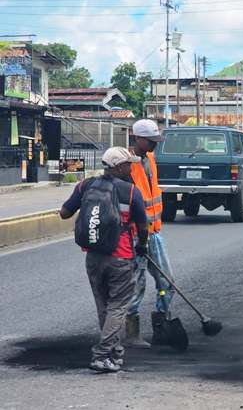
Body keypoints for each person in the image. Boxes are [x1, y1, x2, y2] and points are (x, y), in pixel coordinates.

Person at [60, 147, 148, 373]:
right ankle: (101, 355)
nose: (132, 167)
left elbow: (64, 213)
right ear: (118, 167)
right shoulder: (130, 192)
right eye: (128, 164)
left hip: (93, 256)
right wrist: (142, 245)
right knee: (118, 307)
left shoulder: (85, 185)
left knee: (105, 308)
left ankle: (114, 353)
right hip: (121, 256)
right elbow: (143, 225)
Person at [126, 119, 175, 348]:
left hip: (154, 233)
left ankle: (161, 323)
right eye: (150, 141)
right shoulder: (125, 165)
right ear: (137, 138)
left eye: (156, 140)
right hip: (135, 236)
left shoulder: (151, 159)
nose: (155, 144)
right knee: (136, 285)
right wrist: (137, 239)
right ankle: (132, 333)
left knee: (166, 282)